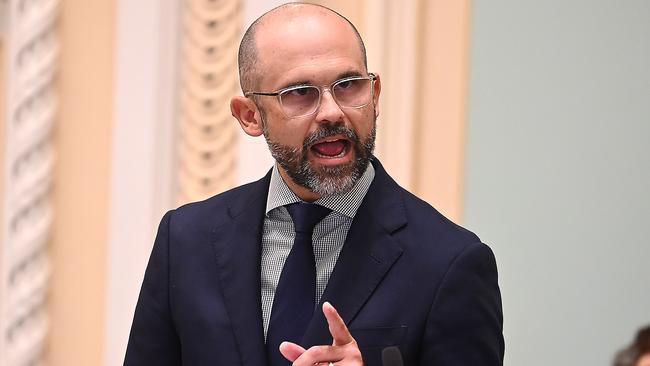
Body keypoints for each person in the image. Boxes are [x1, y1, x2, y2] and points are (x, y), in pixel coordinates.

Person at [124, 3, 504, 365]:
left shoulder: (450, 263)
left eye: (349, 86)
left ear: (375, 95)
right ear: (250, 116)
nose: (332, 112)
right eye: (299, 93)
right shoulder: (186, 241)